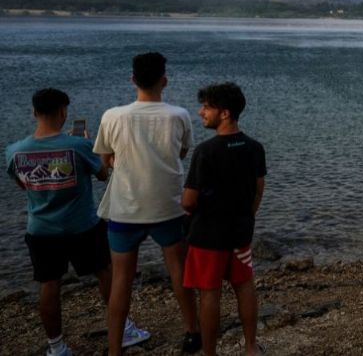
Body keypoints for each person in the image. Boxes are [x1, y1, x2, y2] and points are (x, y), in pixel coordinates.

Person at [5, 88, 149, 356]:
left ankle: (57, 347)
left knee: (49, 285)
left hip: (40, 230)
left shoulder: (14, 152)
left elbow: (25, 185)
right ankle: (124, 329)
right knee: (105, 273)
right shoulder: (79, 146)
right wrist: (88, 145)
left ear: (34, 112)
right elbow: (104, 175)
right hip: (82, 226)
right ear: (63, 112)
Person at [93, 52, 201, 355]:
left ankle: (115, 348)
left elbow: (106, 160)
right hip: (167, 206)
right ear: (164, 81)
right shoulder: (178, 115)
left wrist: (121, 160)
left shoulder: (113, 116)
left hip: (125, 209)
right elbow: (180, 154)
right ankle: (192, 331)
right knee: (179, 271)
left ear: (132, 80)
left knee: (121, 280)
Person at [182, 83, 266, 356]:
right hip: (241, 230)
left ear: (225, 113)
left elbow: (189, 200)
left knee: (209, 293)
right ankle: (251, 347)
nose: (201, 112)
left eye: (207, 107)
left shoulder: (206, 151)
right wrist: (246, 217)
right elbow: (258, 190)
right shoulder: (255, 148)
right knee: (244, 286)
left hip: (208, 234)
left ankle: (209, 353)